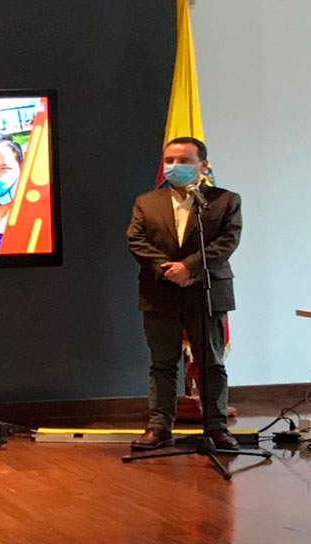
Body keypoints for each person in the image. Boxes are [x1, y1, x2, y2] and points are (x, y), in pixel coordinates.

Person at [126, 137, 242, 451]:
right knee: (162, 364)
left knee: (211, 364)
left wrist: (189, 268)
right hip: (160, 291)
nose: (175, 166)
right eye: (170, 160)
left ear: (203, 165)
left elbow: (227, 242)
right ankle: (159, 427)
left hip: (205, 291)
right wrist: (167, 269)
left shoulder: (225, 200)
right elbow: (136, 240)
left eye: (184, 161)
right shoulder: (146, 202)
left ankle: (216, 429)